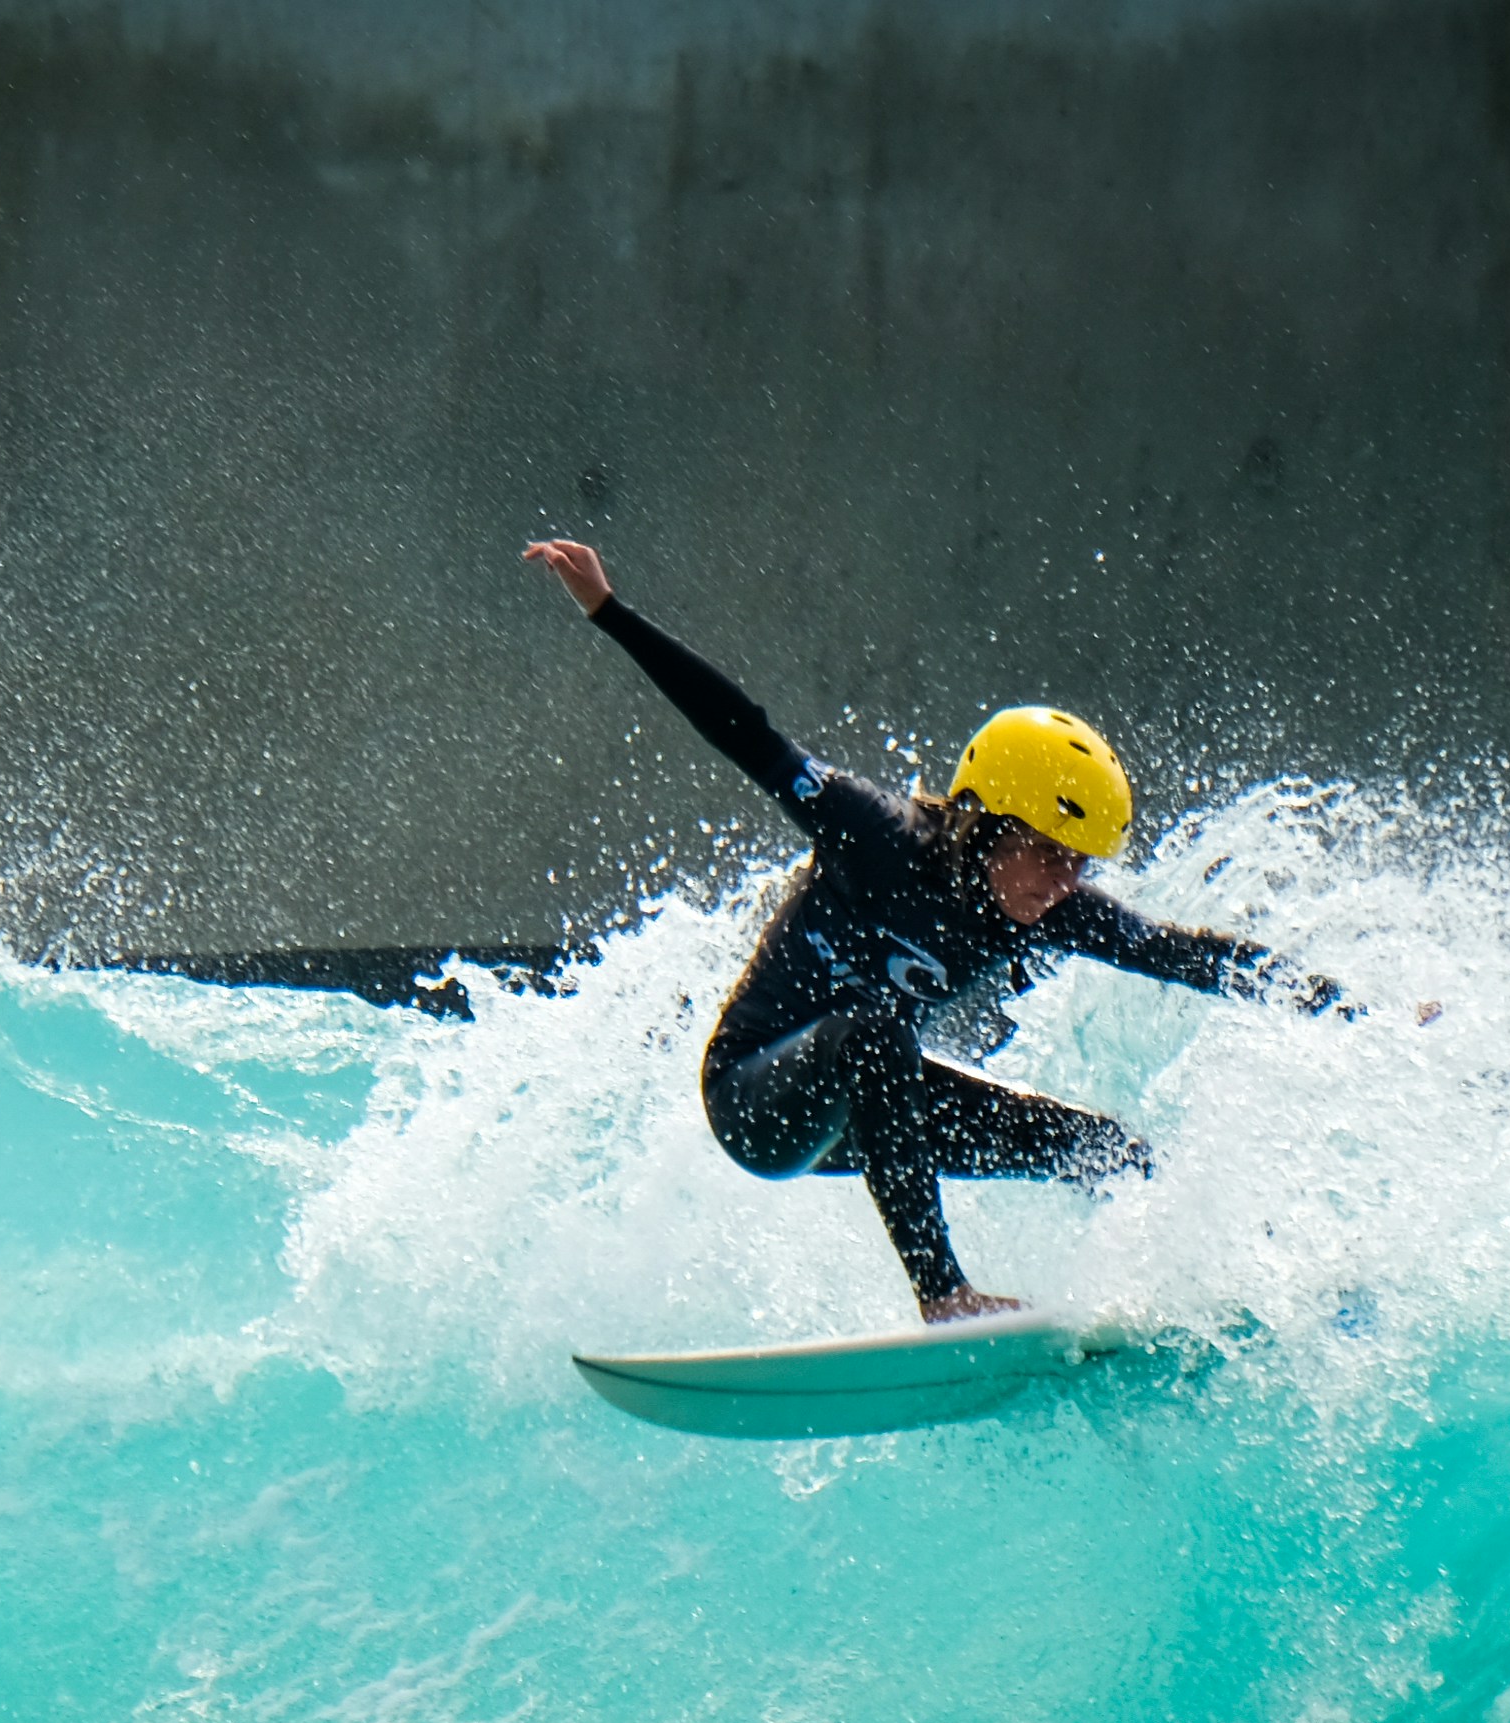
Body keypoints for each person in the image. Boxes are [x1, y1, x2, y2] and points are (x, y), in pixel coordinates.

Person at [522, 537, 1341, 1322]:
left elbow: (1188, 957)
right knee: (876, 1031)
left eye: (1081, 864)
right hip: (758, 1102)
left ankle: (1222, 1284)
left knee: (1106, 1148)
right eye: (1049, 854)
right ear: (985, 823)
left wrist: (1350, 1011)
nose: (1065, 882)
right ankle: (943, 1297)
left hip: (881, 1115)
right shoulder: (872, 834)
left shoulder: (1051, 908)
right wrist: (608, 610)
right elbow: (746, 731)